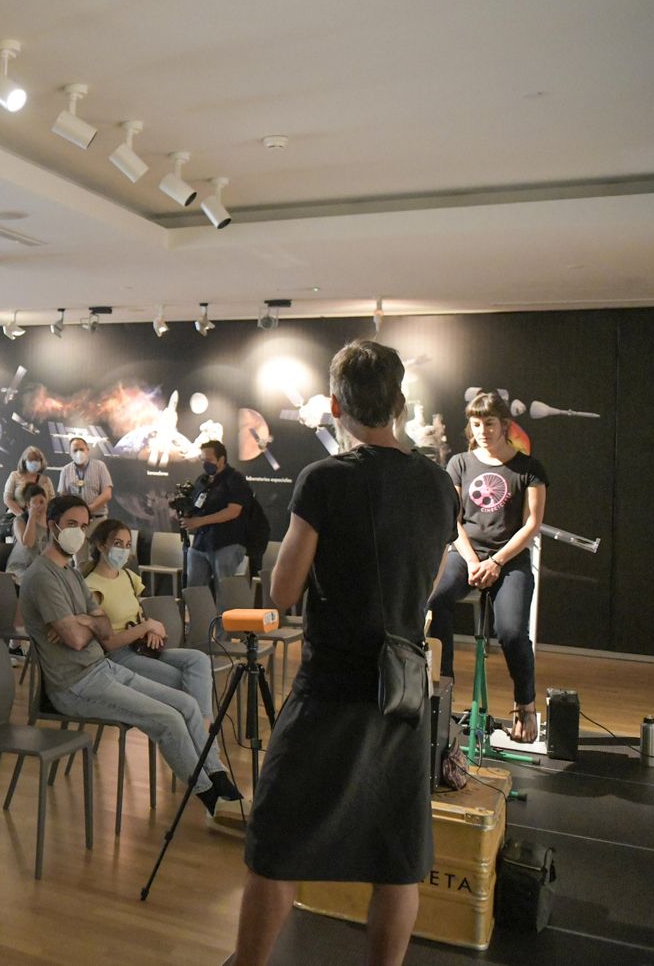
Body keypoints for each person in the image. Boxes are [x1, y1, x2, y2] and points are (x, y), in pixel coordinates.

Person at [234, 340, 457, 966]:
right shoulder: (439, 485)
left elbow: (282, 591)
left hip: (330, 688)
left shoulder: (325, 479)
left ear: (335, 404)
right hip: (403, 692)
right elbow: (431, 579)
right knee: (397, 859)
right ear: (400, 402)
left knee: (275, 845)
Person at [18, 495, 238, 813]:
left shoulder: (72, 573)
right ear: (53, 526)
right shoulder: (43, 576)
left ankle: (218, 775)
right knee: (168, 719)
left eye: (82, 526)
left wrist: (84, 620)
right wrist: (87, 622)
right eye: (71, 525)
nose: (78, 532)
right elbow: (79, 640)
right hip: (74, 684)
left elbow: (103, 626)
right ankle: (211, 798)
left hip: (102, 670)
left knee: (188, 705)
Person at [426, 391, 549, 742]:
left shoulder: (529, 468)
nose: (482, 431)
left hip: (509, 560)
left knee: (510, 631)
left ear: (505, 425)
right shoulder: (460, 463)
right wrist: (471, 560)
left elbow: (532, 524)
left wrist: (496, 561)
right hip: (466, 553)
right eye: (476, 424)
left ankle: (524, 704)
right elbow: (454, 520)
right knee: (435, 603)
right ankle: (441, 690)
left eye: (489, 424)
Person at [82, 518, 231, 780]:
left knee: (197, 660)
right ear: (101, 545)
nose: (123, 550)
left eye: (127, 545)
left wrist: (149, 628)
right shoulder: (91, 586)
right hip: (118, 657)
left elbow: (138, 615)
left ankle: (204, 730)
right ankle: (209, 760)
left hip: (142, 648)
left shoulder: (128, 577)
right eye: (118, 544)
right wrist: (145, 627)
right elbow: (108, 641)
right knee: (180, 683)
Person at [179, 439, 254, 592]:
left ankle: (224, 617)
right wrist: (184, 511)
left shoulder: (235, 479)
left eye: (209, 460)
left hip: (226, 543)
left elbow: (234, 511)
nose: (205, 464)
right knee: (194, 590)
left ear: (221, 459)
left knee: (225, 591)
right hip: (200, 543)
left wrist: (200, 521)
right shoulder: (202, 480)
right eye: (203, 460)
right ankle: (198, 617)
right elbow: (196, 506)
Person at [56, 436, 113, 525]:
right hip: (74, 521)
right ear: (70, 453)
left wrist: (88, 509)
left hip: (97, 520)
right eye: (75, 450)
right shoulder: (65, 470)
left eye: (81, 449)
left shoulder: (100, 466)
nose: (79, 453)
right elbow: (63, 495)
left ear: (87, 450)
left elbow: (107, 494)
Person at [5, 482, 49, 583]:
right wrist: (32, 518)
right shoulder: (19, 521)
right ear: (28, 505)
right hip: (20, 568)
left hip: (40, 569)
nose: (39, 506)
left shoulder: (50, 523)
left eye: (42, 502)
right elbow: (28, 543)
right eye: (35, 503)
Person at [2, 445, 54, 526]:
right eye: (31, 459)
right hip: (17, 519)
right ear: (24, 461)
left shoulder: (46, 480)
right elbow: (7, 499)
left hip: (40, 521)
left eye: (37, 459)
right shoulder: (14, 476)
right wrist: (23, 516)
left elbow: (52, 502)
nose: (34, 462)